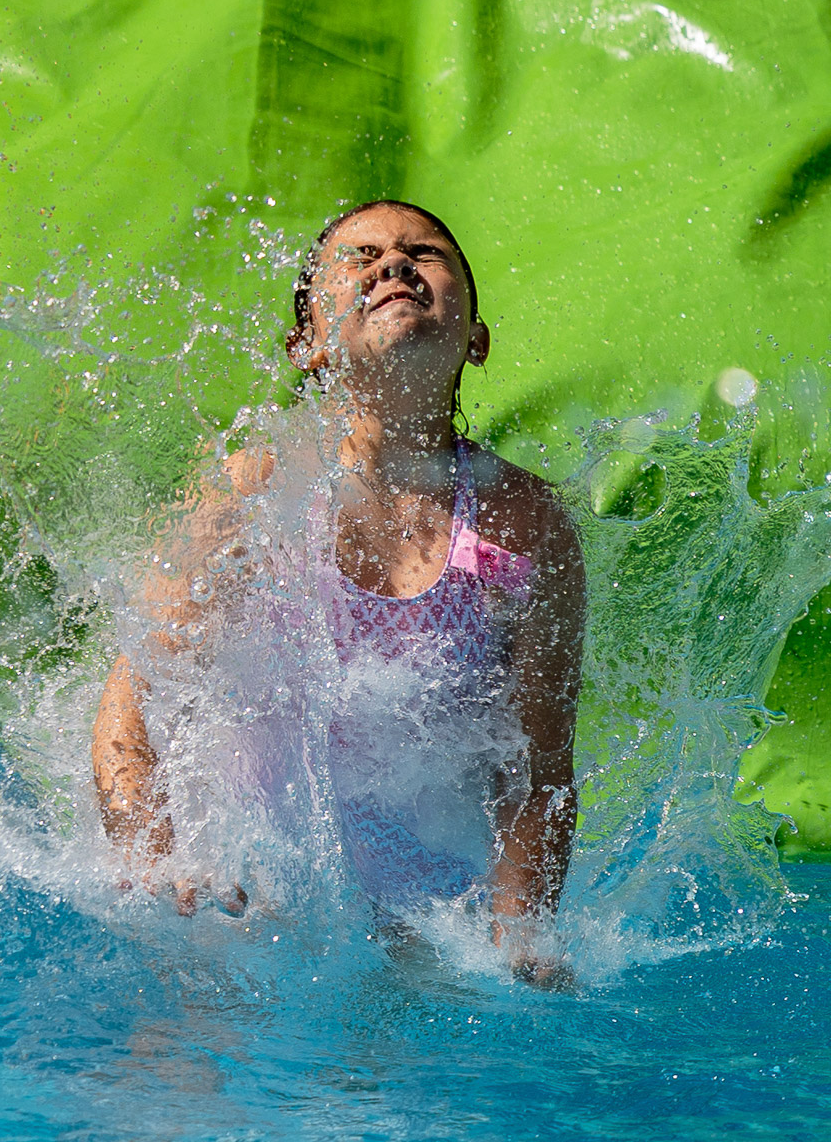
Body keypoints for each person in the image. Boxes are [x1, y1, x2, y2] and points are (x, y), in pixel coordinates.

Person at [91, 201, 584, 984]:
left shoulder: (524, 525)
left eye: (424, 253)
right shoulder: (256, 490)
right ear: (308, 345)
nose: (394, 266)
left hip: (424, 933)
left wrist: (517, 939)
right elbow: (131, 700)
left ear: (477, 339)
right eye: (360, 258)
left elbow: (537, 772)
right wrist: (157, 867)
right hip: (249, 907)